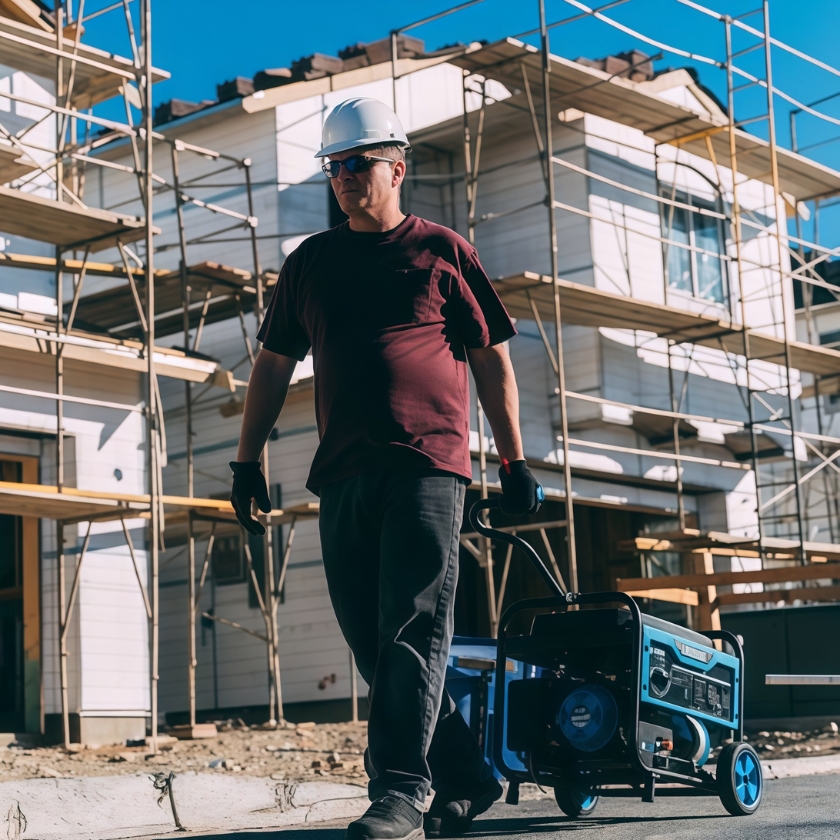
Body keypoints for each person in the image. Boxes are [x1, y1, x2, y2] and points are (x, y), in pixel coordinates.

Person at [230, 97, 542, 840]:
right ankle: (467, 774)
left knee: (410, 627)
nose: (342, 178)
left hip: (428, 468)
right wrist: (247, 462)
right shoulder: (311, 263)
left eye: (356, 163)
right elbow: (272, 366)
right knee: (372, 639)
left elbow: (492, 358)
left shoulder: (442, 251)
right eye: (333, 166)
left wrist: (513, 459)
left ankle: (400, 790)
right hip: (341, 473)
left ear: (396, 168)